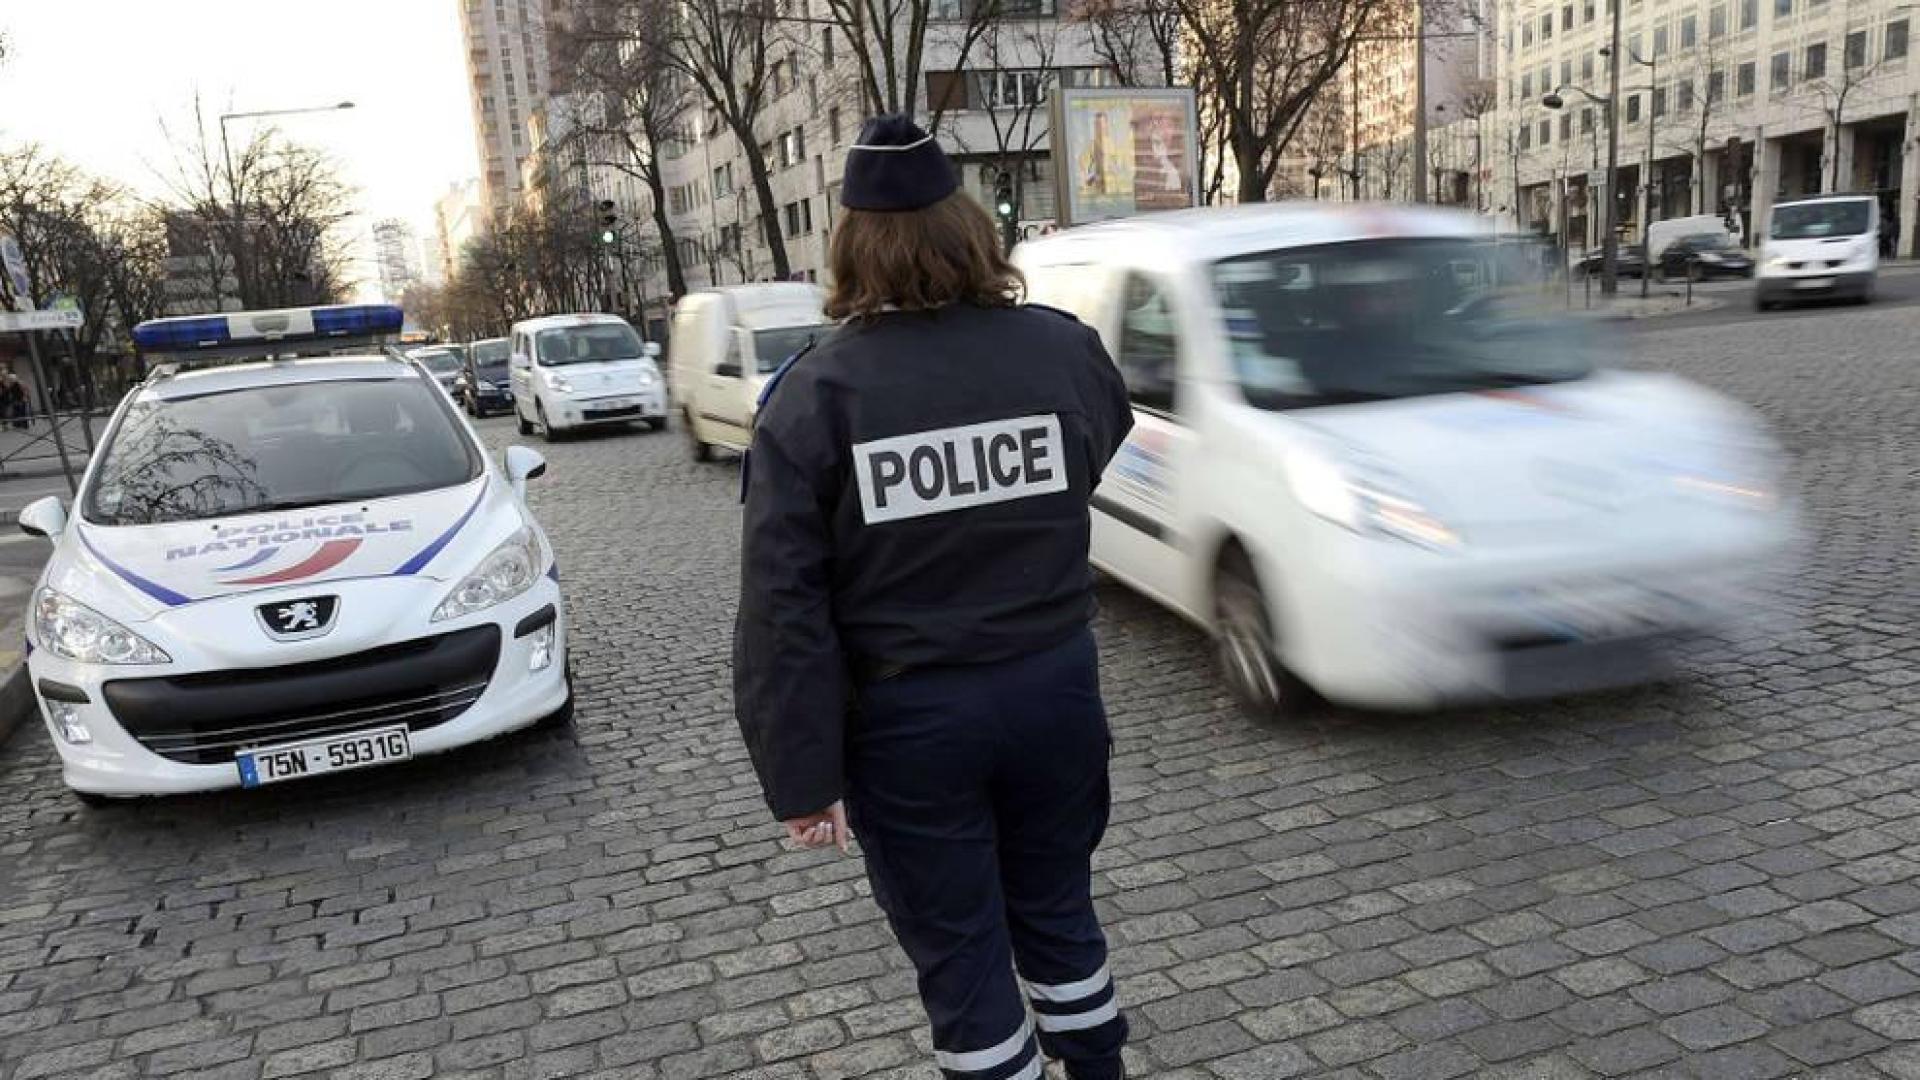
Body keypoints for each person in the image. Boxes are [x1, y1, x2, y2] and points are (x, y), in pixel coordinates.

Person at [734, 115, 1135, 1080]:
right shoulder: (1060, 351)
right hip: (1054, 688)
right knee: (1058, 906)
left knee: (961, 952)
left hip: (912, 721)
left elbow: (785, 606)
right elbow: (1101, 444)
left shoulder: (813, 396)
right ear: (969, 230)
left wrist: (802, 775)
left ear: (849, 248)